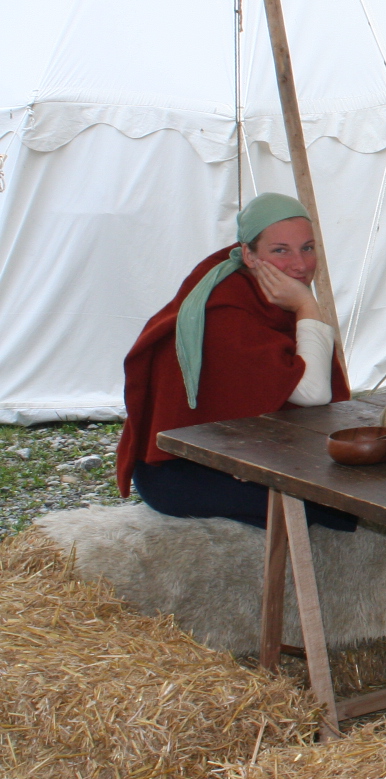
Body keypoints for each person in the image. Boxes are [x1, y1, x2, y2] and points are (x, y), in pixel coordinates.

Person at [116, 193, 355, 530]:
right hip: (180, 471)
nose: (300, 264)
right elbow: (313, 393)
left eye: (308, 248)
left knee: (355, 489)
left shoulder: (269, 293)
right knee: (340, 510)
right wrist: (307, 306)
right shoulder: (227, 305)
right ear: (248, 254)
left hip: (235, 456)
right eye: (281, 250)